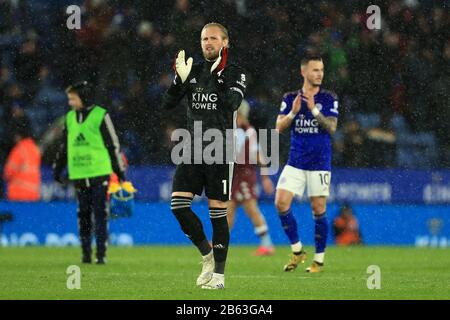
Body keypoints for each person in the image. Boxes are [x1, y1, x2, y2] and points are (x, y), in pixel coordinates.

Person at [162, 22, 246, 289]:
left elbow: (233, 103)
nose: (207, 43)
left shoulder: (234, 73)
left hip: (220, 148)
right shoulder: (193, 71)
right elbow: (168, 103)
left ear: (225, 42)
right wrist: (178, 80)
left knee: (217, 212)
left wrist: (219, 74)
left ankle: (219, 277)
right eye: (203, 39)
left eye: (213, 38)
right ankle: (207, 255)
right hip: (193, 147)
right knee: (178, 206)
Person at [53, 81, 134, 264]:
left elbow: (112, 145)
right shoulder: (69, 118)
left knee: (100, 214)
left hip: (99, 173)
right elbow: (64, 148)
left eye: (73, 98)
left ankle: (101, 254)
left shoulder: (100, 115)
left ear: (82, 97)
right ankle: (86, 254)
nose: (70, 102)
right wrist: (58, 170)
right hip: (79, 174)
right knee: (83, 215)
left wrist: (119, 172)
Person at [275, 54, 339, 273]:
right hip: (295, 161)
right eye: (315, 70)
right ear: (304, 72)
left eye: (321, 70)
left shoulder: (329, 98)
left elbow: (331, 128)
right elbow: (279, 127)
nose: (319, 74)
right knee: (281, 203)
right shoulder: (290, 97)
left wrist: (313, 109)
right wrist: (294, 112)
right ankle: (297, 250)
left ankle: (318, 260)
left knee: (318, 209)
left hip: (320, 162)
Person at [227, 100, 275, 256]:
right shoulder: (237, 131)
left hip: (244, 176)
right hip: (235, 176)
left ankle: (267, 245)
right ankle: (219, 242)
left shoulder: (248, 132)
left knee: (251, 209)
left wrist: (266, 178)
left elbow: (258, 155)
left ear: (240, 115)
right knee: (228, 209)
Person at [3, 118, 41, 201]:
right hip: (33, 194)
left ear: (17, 135)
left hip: (18, 194)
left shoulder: (19, 149)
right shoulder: (35, 149)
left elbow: (8, 173)